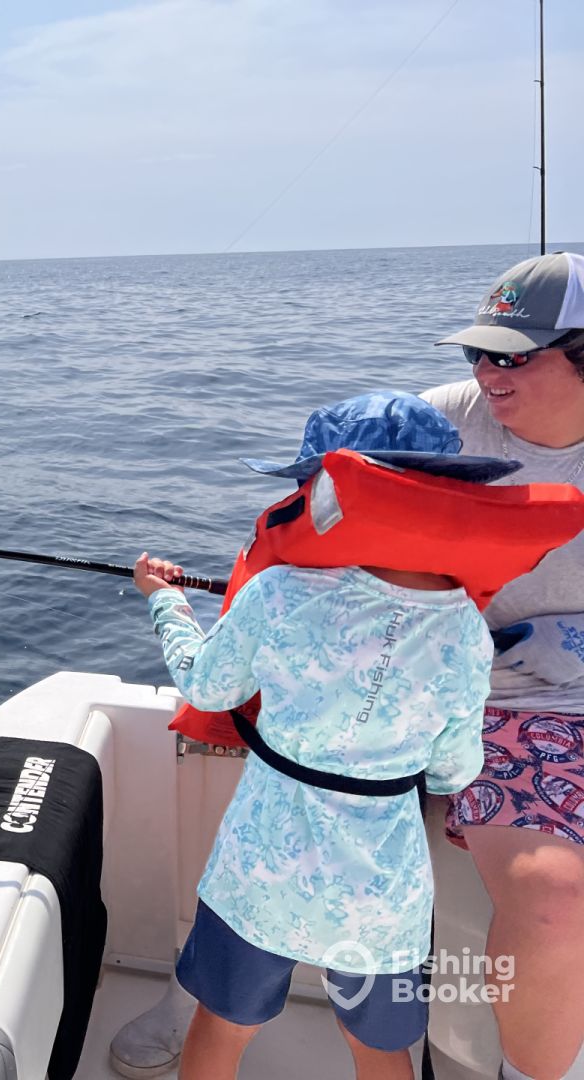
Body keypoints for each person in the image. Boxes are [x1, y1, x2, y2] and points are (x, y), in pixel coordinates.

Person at [132, 390, 519, 1080]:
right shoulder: (465, 627)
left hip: (261, 874)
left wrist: (167, 603)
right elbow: (453, 770)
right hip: (384, 891)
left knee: (222, 1026)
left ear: (332, 492)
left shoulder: (279, 591)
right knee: (381, 1049)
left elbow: (208, 687)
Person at [425, 250, 584, 1080]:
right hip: (499, 703)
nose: (486, 373)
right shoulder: (439, 423)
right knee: (554, 901)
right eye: (477, 352)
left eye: (513, 357)